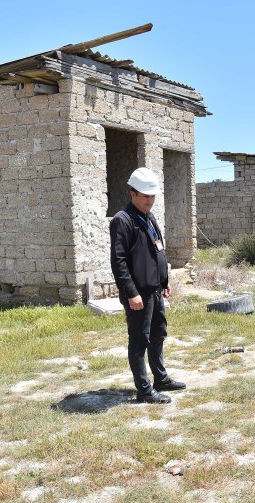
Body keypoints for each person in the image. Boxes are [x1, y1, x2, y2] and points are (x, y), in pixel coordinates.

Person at [110, 167, 186, 404]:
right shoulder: (122, 221)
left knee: (157, 334)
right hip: (138, 293)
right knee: (139, 340)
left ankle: (160, 379)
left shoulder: (148, 217)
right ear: (133, 194)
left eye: (152, 196)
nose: (150, 201)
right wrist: (131, 292)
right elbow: (118, 261)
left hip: (154, 289)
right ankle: (143, 391)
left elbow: (156, 248)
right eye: (145, 197)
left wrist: (164, 281)